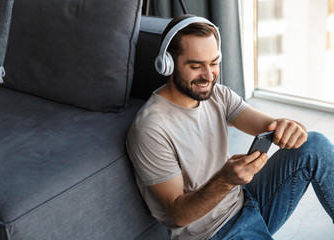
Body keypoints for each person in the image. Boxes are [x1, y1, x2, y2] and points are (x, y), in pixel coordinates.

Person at [126, 14, 334, 240]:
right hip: (213, 233)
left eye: (214, 63)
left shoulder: (218, 95)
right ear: (167, 64)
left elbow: (269, 126)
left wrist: (291, 128)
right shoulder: (150, 128)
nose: (208, 76)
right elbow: (179, 214)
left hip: (247, 201)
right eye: (196, 66)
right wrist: (224, 180)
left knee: (314, 144)